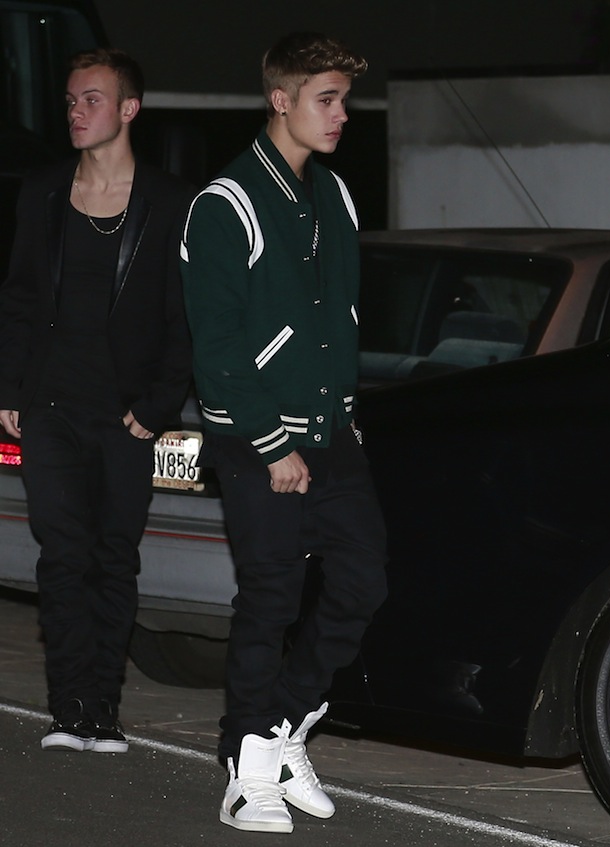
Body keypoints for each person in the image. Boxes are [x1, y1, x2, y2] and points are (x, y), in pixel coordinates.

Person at [180, 31, 387, 833]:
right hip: (254, 436)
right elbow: (217, 345)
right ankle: (244, 768)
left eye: (344, 100)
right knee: (270, 597)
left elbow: (341, 319)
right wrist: (272, 443)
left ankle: (278, 728)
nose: (340, 115)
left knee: (363, 581)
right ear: (280, 99)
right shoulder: (225, 202)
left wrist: (345, 416)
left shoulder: (334, 195)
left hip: (330, 432)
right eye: (325, 99)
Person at [0, 48, 193, 753]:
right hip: (51, 407)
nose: (76, 111)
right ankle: (68, 707)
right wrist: (10, 386)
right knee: (62, 554)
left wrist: (158, 404)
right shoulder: (44, 192)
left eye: (92, 99)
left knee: (113, 557)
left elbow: (186, 315)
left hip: (126, 416)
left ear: (128, 109)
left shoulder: (171, 202)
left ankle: (101, 710)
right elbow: (20, 296)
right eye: (71, 100)